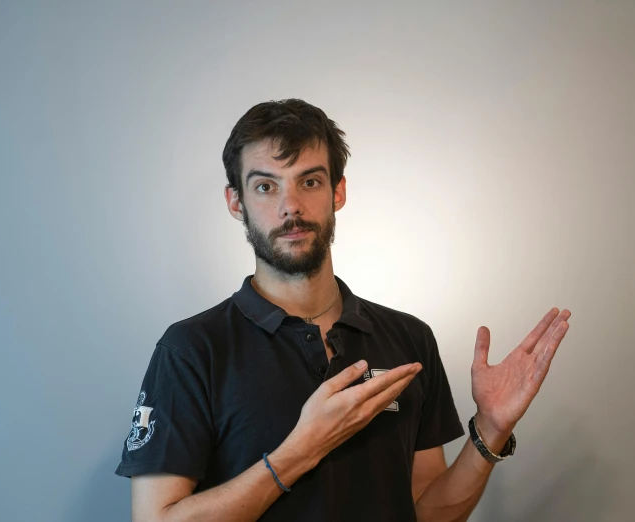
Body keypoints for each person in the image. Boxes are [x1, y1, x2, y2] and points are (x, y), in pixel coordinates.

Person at [115, 98, 571, 522]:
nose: (290, 206)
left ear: (338, 192)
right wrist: (301, 450)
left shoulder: (408, 338)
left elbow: (428, 513)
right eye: (265, 186)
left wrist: (489, 429)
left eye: (309, 182)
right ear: (236, 202)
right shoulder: (192, 349)